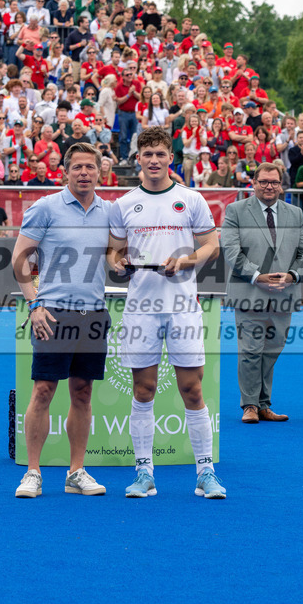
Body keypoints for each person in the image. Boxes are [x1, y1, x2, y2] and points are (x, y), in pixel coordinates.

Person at [106, 126, 225, 499]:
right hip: (141, 308)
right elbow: (112, 255)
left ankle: (206, 473)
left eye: (160, 154)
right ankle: (144, 474)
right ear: (138, 159)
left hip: (182, 308)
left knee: (192, 389)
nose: (154, 160)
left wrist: (188, 260)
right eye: (148, 155)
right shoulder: (123, 204)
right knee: (144, 390)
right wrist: (118, 264)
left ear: (170, 158)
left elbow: (212, 246)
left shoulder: (191, 199)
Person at [11, 143, 112, 498]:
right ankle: (33, 472)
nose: (84, 173)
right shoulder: (45, 208)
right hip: (53, 314)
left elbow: (117, 260)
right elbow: (20, 260)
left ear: (100, 172)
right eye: (77, 167)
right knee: (43, 391)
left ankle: (76, 472)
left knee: (83, 394)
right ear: (65, 172)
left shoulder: (110, 212)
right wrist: (34, 304)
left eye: (90, 167)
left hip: (94, 315)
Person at [221, 162, 303, 424]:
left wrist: (293, 275)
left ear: (281, 185)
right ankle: (249, 404)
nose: (269, 186)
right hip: (249, 293)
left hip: (284, 295)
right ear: (254, 183)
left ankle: (262, 404)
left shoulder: (295, 214)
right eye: (263, 182)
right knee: (250, 350)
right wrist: (257, 276)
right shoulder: (236, 210)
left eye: (274, 182)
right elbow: (231, 250)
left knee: (272, 350)